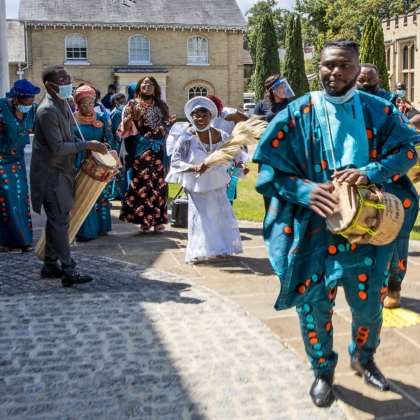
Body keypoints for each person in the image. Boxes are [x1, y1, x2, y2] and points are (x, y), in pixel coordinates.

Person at [253, 39, 419, 408]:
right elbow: (269, 171)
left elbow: (408, 149)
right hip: (313, 232)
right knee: (313, 305)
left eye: (345, 65)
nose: (336, 72)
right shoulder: (296, 112)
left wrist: (371, 172)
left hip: (368, 232)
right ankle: (323, 371)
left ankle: (364, 359)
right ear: (320, 66)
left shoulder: (379, 110)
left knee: (369, 308)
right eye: (329, 64)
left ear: (358, 69)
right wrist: (304, 190)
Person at [30, 65, 107, 287]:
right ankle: (68, 269)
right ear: (49, 85)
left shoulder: (62, 103)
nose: (68, 84)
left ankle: (50, 265)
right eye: (62, 80)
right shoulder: (47, 111)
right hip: (49, 175)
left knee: (57, 221)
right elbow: (57, 147)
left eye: (68, 79)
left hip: (61, 172)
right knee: (60, 222)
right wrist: (88, 145)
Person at [355, 64, 420, 308]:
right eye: (361, 79)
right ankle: (369, 287)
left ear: (378, 80)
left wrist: (403, 129)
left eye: (370, 79)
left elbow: (416, 119)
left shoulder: (391, 101)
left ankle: (394, 285)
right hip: (358, 180)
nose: (366, 82)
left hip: (392, 181)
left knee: (395, 235)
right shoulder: (347, 102)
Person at [166, 97, 243, 264]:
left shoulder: (221, 135)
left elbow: (233, 152)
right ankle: (198, 250)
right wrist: (194, 168)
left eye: (204, 115)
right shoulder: (186, 137)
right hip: (196, 181)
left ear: (211, 117)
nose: (200, 119)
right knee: (200, 214)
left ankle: (222, 247)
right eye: (196, 115)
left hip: (217, 179)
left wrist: (241, 163)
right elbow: (176, 161)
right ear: (191, 118)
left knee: (220, 212)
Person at [118, 77, 172, 233]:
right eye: (144, 83)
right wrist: (129, 118)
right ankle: (145, 221)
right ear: (139, 87)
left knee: (160, 184)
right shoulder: (132, 105)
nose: (147, 85)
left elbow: (167, 124)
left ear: (155, 88)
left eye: (151, 84)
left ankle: (159, 220)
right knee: (143, 185)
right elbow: (127, 129)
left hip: (159, 151)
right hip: (142, 151)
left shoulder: (162, 105)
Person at [0, 79, 40, 253]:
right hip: (1, 160)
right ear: (16, 98)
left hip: (18, 161)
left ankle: (24, 238)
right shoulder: (2, 108)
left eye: (31, 103)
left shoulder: (32, 110)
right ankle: (13, 241)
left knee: (22, 196)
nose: (28, 106)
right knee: (7, 197)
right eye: (25, 103)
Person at [72, 85, 113, 240]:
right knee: (83, 192)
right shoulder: (72, 119)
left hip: (98, 160)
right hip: (79, 160)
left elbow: (109, 138)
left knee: (100, 193)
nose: (88, 108)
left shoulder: (101, 117)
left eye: (91, 104)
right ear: (78, 104)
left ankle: (102, 227)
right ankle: (86, 231)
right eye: (84, 104)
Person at [206, 94, 250, 203]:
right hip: (210, 159)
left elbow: (248, 122)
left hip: (228, 159)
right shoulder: (204, 117)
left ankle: (227, 217)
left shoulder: (226, 114)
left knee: (226, 194)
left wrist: (239, 135)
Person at [109, 93, 127, 200]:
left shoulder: (120, 112)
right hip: (117, 143)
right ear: (116, 102)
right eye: (121, 102)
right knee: (118, 167)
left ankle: (118, 191)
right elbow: (117, 130)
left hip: (119, 142)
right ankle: (116, 192)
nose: (123, 104)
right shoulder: (116, 113)